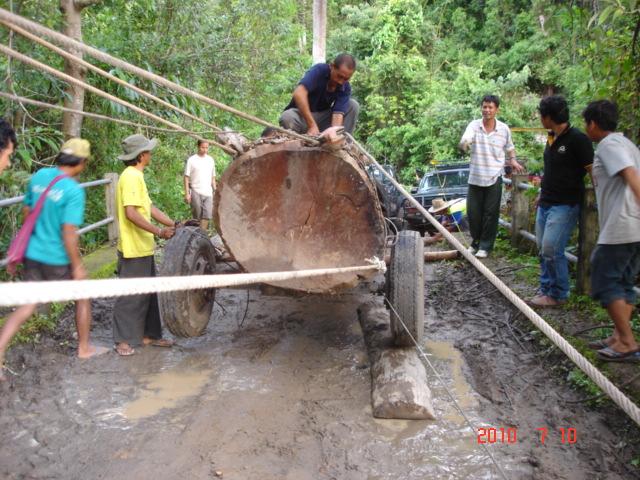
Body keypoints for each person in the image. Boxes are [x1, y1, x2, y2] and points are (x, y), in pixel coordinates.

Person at [0, 139, 107, 381]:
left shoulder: (40, 176)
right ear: (81, 162)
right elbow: (68, 232)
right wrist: (77, 266)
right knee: (83, 294)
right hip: (56, 258)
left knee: (27, 305)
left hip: (32, 253)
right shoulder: (73, 190)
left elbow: (26, 212)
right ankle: (84, 348)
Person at [582, 100, 640, 362]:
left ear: (593, 124)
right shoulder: (628, 144)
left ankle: (627, 342)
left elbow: (630, 174)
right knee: (623, 281)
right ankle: (619, 336)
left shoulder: (609, 145)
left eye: (586, 124)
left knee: (604, 278)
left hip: (622, 225)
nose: (586, 129)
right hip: (633, 227)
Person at [112, 134, 178, 356]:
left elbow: (148, 207)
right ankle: (123, 341)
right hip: (133, 247)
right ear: (141, 155)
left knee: (148, 293)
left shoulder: (136, 176)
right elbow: (131, 213)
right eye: (148, 151)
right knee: (131, 295)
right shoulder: (130, 177)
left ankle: (149, 335)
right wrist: (159, 231)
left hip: (143, 245)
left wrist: (174, 224)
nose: (151, 154)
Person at [527, 95, 594, 308]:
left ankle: (559, 293)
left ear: (548, 117)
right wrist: (541, 193)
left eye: (540, 114)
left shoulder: (577, 139)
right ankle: (546, 288)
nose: (540, 118)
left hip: (565, 204)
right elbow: (552, 171)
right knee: (543, 248)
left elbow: (592, 171)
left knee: (551, 248)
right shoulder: (551, 137)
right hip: (546, 201)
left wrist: (600, 197)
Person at [459, 95, 524, 258]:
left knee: (490, 213)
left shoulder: (503, 129)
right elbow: (466, 138)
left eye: (490, 107)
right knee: (473, 213)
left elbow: (510, 147)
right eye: (484, 107)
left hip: (494, 177)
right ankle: (476, 242)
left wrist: (513, 160)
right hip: (475, 177)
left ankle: (486, 246)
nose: (487, 110)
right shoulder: (474, 125)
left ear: (497, 110)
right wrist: (464, 144)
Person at [279, 53, 360, 137]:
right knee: (287, 116)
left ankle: (341, 143)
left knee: (353, 105)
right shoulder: (319, 70)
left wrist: (334, 134)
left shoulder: (345, 87)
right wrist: (312, 125)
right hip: (301, 119)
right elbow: (299, 93)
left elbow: (338, 115)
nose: (341, 82)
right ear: (332, 66)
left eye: (346, 79)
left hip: (322, 122)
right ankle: (295, 141)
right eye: (339, 76)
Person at [184, 139, 215, 232]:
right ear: (198, 147)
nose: (205, 150)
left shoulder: (210, 160)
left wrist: (215, 189)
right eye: (203, 147)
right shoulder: (192, 160)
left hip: (208, 191)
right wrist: (187, 193)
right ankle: (196, 233)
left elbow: (213, 177)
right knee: (197, 215)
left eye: (207, 148)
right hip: (196, 190)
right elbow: (186, 177)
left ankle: (202, 233)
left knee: (207, 214)